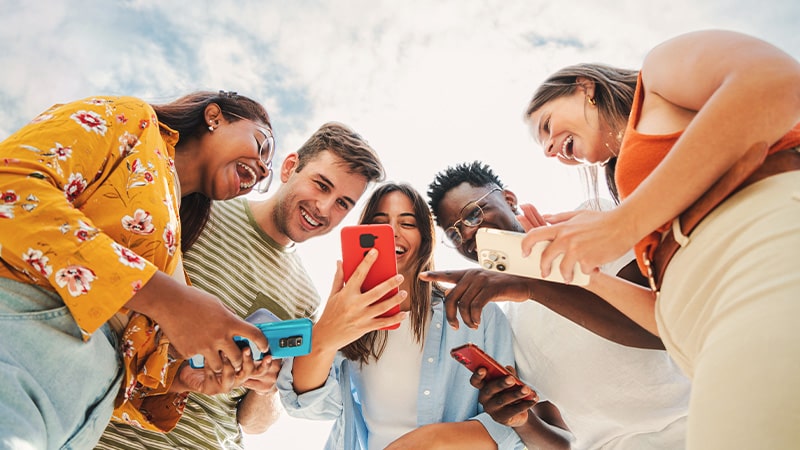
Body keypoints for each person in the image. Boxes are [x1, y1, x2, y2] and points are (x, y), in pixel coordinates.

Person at [520, 30, 800, 448]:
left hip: (765, 269)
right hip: (705, 348)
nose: (547, 149)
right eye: (541, 145)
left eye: (546, 126)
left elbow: (777, 84)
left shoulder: (660, 73)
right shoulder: (638, 199)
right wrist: (585, 274)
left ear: (585, 87)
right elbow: (663, 316)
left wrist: (621, 225)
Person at [0, 90, 275, 449]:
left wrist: (183, 377)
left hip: (72, 418)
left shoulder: (171, 242)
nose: (265, 168)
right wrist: (169, 301)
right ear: (214, 117)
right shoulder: (132, 117)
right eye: (262, 144)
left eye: (267, 171)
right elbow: (11, 187)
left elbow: (125, 363)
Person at [96, 122, 386, 449]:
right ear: (290, 167)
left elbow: (253, 423)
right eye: (321, 185)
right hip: (114, 433)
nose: (324, 208)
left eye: (342, 203)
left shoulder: (307, 297)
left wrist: (266, 387)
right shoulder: (197, 208)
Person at [424, 161, 690, 449]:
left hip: (695, 425)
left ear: (509, 200)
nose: (466, 235)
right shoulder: (508, 325)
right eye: (454, 234)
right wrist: (522, 421)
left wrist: (532, 284)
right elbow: (562, 443)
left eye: (473, 214)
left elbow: (664, 330)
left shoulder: (588, 225)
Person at [278, 182, 562, 449]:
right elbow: (308, 405)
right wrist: (327, 334)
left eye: (407, 223)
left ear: (425, 239)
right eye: (379, 224)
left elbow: (511, 423)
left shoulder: (476, 311)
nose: (392, 232)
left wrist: (430, 441)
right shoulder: (348, 320)